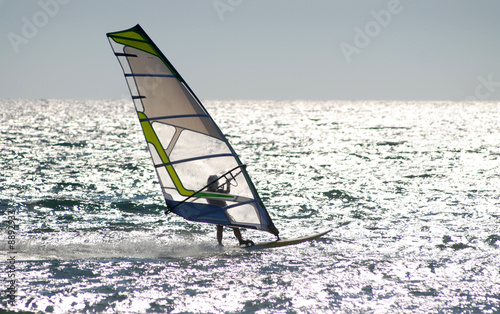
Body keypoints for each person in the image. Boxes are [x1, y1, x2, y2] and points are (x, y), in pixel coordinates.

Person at [206, 175, 254, 247]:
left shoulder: (219, 191)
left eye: (217, 183)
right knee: (223, 227)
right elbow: (211, 195)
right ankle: (222, 243)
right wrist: (213, 189)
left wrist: (228, 183)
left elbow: (227, 192)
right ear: (211, 184)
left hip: (223, 212)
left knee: (224, 227)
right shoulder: (207, 192)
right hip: (217, 213)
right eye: (216, 183)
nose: (218, 184)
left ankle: (235, 241)